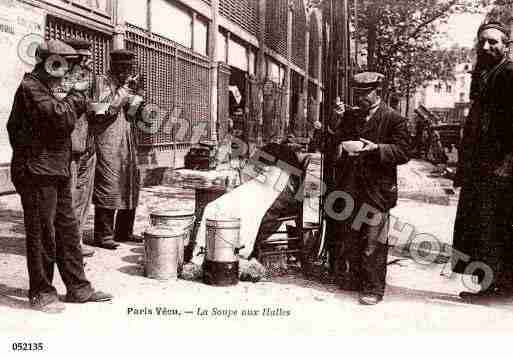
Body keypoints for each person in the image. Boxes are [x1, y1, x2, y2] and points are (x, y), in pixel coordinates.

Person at [7, 39, 112, 313]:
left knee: (66, 230)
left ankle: (78, 287)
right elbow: (60, 119)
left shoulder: (48, 87)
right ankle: (42, 292)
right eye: (65, 65)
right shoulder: (31, 88)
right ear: (48, 63)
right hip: (36, 171)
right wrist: (78, 96)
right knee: (43, 233)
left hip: (56, 167)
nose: (69, 72)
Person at [316, 72, 410, 305]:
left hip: (378, 189)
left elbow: (404, 152)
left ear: (378, 92)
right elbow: (331, 144)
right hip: (351, 186)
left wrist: (376, 148)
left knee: (373, 241)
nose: (360, 99)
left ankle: (374, 288)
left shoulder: (394, 119)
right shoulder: (351, 116)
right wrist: (334, 127)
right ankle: (357, 279)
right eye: (357, 94)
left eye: (364, 94)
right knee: (354, 236)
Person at [452, 21, 513, 300]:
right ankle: (493, 285)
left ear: (506, 46)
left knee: (493, 227)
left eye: (493, 42)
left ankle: (494, 288)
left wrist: (501, 162)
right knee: (482, 226)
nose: (487, 47)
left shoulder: (509, 74)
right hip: (483, 165)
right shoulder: (485, 73)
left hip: (500, 166)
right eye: (483, 42)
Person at [89, 49, 145, 250]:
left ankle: (124, 231)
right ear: (114, 66)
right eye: (122, 67)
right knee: (109, 184)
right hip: (107, 140)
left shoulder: (127, 84)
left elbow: (132, 113)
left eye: (128, 67)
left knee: (130, 183)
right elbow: (102, 111)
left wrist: (138, 96)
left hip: (127, 140)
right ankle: (103, 235)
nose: (126, 71)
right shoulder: (102, 81)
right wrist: (123, 92)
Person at [62, 38, 97, 258]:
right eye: (81, 58)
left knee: (83, 196)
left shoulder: (90, 78)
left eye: (88, 58)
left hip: (87, 143)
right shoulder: (60, 79)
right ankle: (66, 245)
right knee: (69, 196)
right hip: (68, 148)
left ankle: (77, 241)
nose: (86, 63)